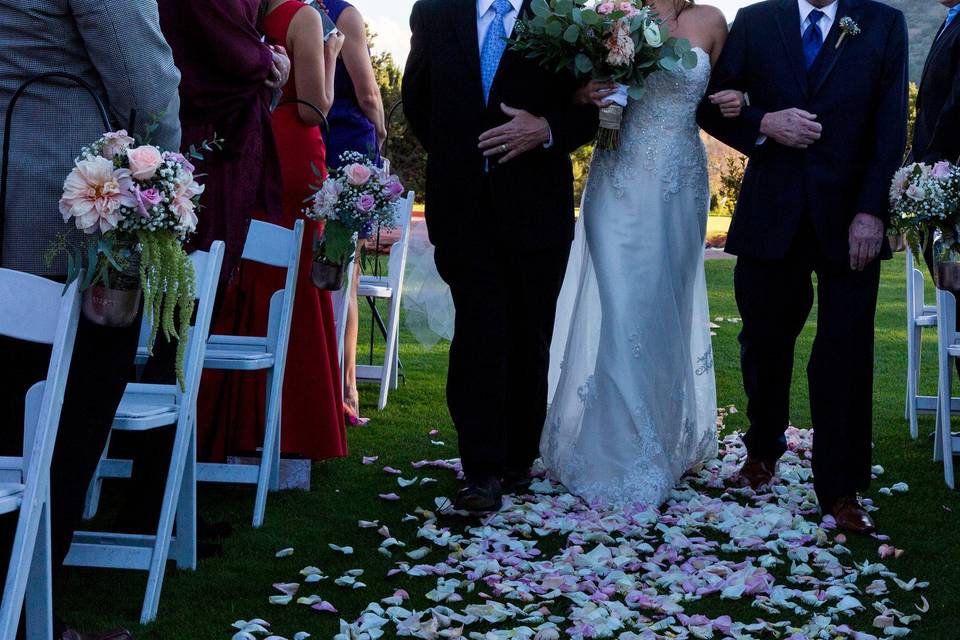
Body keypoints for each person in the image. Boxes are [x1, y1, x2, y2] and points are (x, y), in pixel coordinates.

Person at [0, 1, 180, 638]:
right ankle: (26, 615)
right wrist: (164, 175)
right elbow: (142, 79)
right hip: (60, 208)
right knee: (65, 420)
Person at [698, 0, 908, 534]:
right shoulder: (755, 20)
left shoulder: (884, 22)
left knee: (844, 353)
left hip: (850, 220)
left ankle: (840, 489)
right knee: (763, 344)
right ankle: (761, 452)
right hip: (773, 213)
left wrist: (870, 212)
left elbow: (889, 128)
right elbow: (707, 104)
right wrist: (762, 121)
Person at [402, 0, 598, 512]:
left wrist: (546, 129)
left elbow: (594, 106)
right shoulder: (434, 12)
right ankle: (481, 470)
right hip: (463, 208)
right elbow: (418, 98)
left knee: (530, 336)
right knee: (480, 331)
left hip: (537, 211)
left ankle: (517, 459)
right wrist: (462, 157)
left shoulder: (564, 16)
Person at [541, 0, 736, 509]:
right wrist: (588, 94)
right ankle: (615, 449)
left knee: (659, 310)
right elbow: (572, 92)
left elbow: (721, 103)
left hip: (680, 183)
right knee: (622, 307)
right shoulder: (611, 18)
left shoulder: (712, 23)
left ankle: (660, 437)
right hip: (618, 176)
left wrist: (744, 103)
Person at [110, 0, 292, 540]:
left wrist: (264, 61)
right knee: (175, 335)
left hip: (211, 161)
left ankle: (160, 505)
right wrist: (266, 62)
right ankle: (148, 511)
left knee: (181, 339)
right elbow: (226, 52)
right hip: (194, 165)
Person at [198, 0, 349, 463]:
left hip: (252, 144)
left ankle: (227, 424)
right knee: (297, 279)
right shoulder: (302, 17)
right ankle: (297, 426)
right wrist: (331, 55)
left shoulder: (246, 16)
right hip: (294, 153)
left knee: (250, 274)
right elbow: (312, 108)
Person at [314, 0, 388, 425]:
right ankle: (348, 389)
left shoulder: (290, 10)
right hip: (347, 153)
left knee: (315, 266)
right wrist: (381, 134)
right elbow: (369, 93)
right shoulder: (345, 14)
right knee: (345, 271)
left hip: (314, 143)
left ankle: (332, 384)